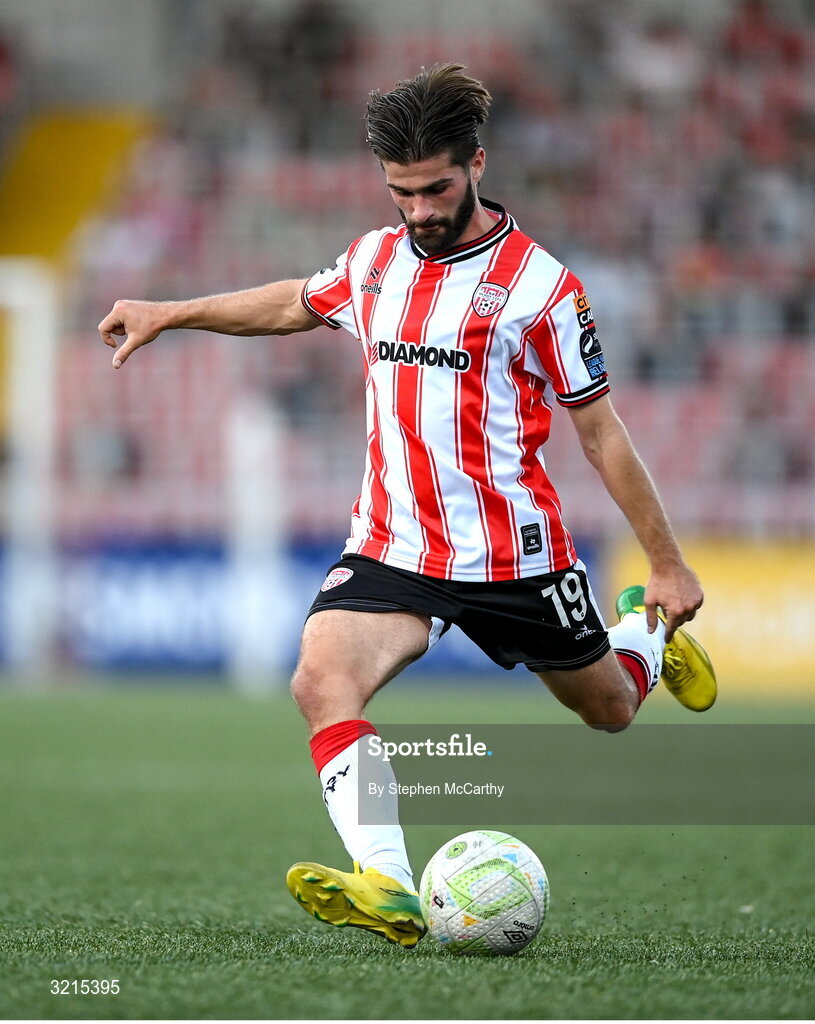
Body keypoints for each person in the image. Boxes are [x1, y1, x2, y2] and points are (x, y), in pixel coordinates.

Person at [98, 63, 716, 950]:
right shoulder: (374, 259)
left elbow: (602, 434)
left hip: (514, 559)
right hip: (394, 545)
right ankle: (386, 883)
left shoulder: (543, 290)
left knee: (608, 707)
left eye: (436, 189)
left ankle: (645, 635)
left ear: (476, 164)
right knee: (320, 680)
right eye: (402, 193)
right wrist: (173, 310)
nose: (419, 210)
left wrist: (663, 563)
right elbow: (293, 306)